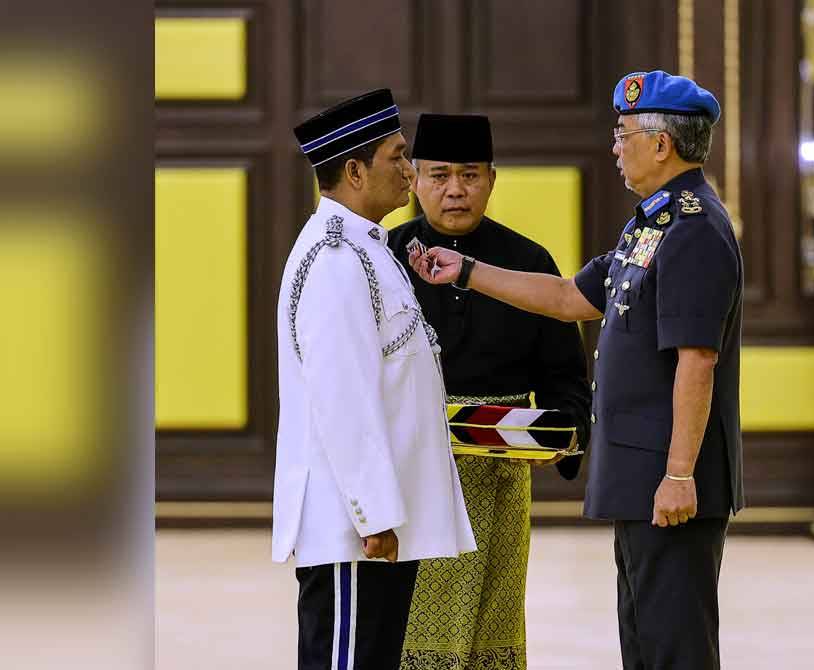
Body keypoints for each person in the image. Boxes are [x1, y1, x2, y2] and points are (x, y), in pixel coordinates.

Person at [408, 71, 744, 670]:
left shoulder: (693, 229)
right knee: (645, 641)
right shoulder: (653, 223)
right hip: (642, 477)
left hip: (668, 481)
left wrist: (679, 475)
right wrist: (464, 271)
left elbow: (698, 360)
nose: (615, 149)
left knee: (676, 647)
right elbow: (569, 298)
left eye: (623, 136)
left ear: (661, 144)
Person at [273, 88, 476, 670]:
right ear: (356, 171)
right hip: (353, 531)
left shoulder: (368, 249)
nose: (410, 173)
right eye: (398, 157)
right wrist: (375, 516)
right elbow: (344, 401)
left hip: (374, 528)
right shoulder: (336, 260)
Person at [387, 113, 591, 670]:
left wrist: (565, 435)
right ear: (414, 179)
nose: (455, 189)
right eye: (440, 174)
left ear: (492, 180)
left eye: (470, 175)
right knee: (406, 636)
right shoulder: (382, 259)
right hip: (406, 483)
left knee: (491, 629)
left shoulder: (528, 264)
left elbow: (566, 375)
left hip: (499, 477)